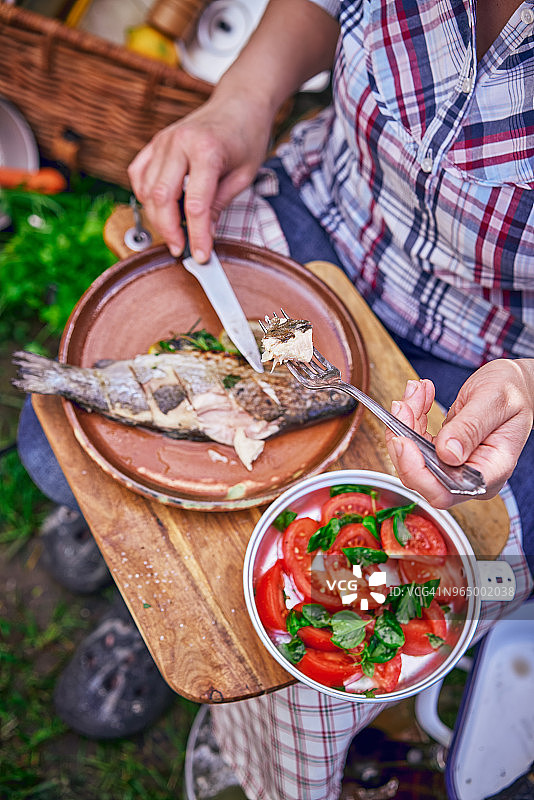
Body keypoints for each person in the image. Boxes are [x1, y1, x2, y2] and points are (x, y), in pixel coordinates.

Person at [17, 0, 534, 795]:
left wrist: (527, 378)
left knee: (337, 605)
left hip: (488, 367)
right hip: (321, 215)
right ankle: (144, 594)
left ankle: (242, 713)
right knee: (76, 433)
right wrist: (239, 107)